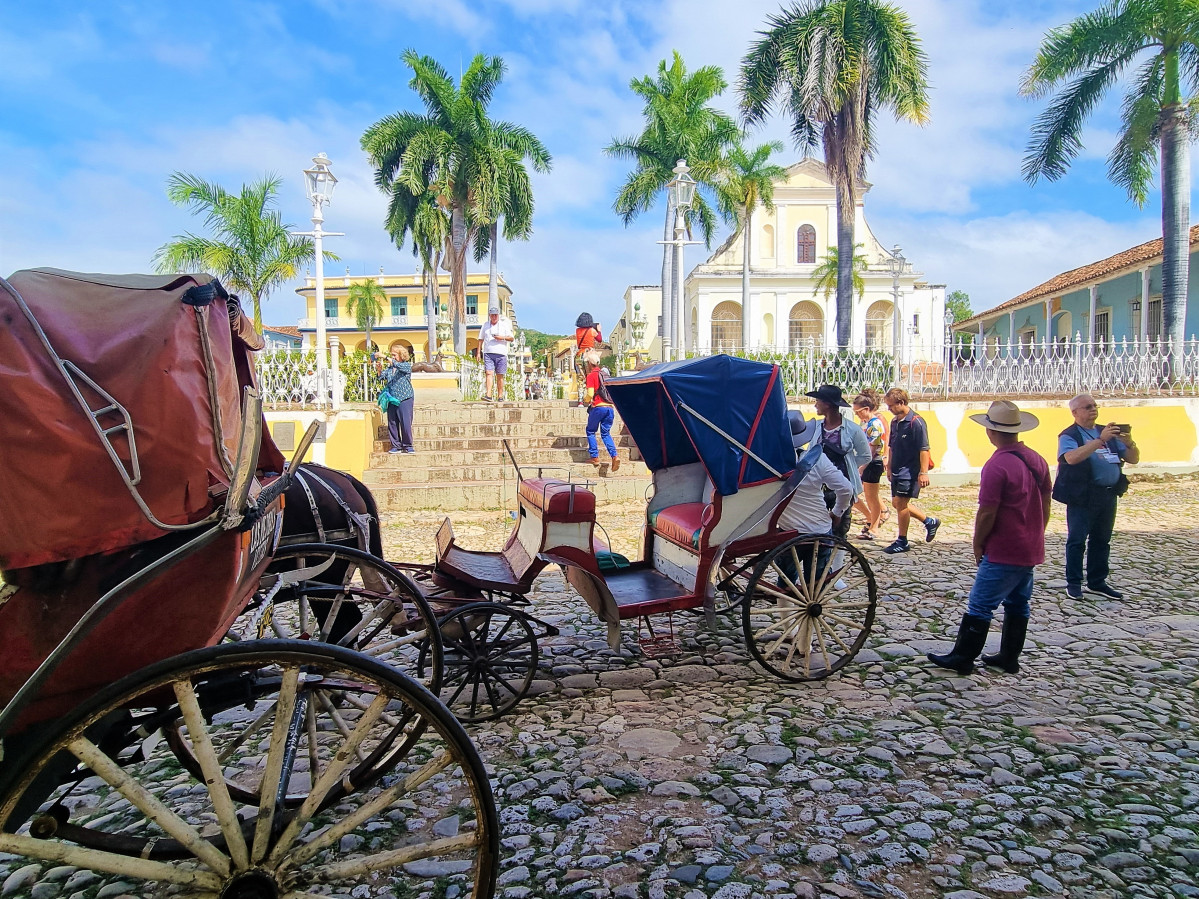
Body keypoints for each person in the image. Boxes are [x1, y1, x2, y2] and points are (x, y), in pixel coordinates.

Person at [927, 400, 1050, 675]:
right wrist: (1037, 532)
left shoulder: (998, 465)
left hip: (1005, 545)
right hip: (1029, 544)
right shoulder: (1036, 459)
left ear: (990, 431)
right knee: (1018, 602)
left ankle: (964, 656)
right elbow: (1046, 503)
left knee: (981, 604)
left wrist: (978, 542)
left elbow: (987, 512)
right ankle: (1009, 656)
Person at [1055, 393, 1140, 599]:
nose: (1093, 409)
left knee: (1102, 540)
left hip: (1108, 494)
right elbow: (1070, 458)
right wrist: (1099, 441)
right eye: (1087, 407)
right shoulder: (1070, 435)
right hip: (1083, 495)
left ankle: (1097, 581)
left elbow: (1133, 459)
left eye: (1094, 405)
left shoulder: (1106, 432)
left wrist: (1129, 444)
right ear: (1075, 412)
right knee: (1077, 540)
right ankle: (1074, 582)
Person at [777, 410, 854, 588]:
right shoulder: (818, 459)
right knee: (817, 584)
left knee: (785, 582)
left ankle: (784, 609)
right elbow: (846, 489)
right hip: (818, 529)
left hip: (787, 530)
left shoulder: (769, 462)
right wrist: (837, 512)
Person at [806, 385, 871, 541]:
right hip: (819, 485)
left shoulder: (852, 430)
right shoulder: (816, 427)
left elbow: (865, 455)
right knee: (817, 525)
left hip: (843, 485)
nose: (815, 405)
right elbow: (810, 452)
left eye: (818, 401)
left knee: (840, 529)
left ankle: (836, 560)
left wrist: (849, 467)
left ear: (827, 404)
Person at [882, 387, 940, 554]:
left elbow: (924, 449)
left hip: (910, 470)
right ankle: (929, 521)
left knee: (901, 504)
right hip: (898, 469)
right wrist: (890, 467)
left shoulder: (916, 422)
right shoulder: (894, 422)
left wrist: (923, 472)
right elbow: (891, 446)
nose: (889, 409)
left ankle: (902, 540)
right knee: (897, 503)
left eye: (891, 406)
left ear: (901, 402)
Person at [851, 389, 889, 540]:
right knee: (864, 495)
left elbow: (871, 449)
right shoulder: (868, 423)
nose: (857, 414)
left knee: (871, 497)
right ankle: (870, 520)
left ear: (866, 409)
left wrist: (862, 467)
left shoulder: (875, 424)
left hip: (873, 464)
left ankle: (874, 527)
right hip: (868, 463)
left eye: (858, 411)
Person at [581, 349, 620, 470]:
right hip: (610, 408)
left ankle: (595, 456)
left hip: (598, 407)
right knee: (605, 433)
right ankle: (614, 456)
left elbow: (590, 393)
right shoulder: (605, 375)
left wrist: (585, 400)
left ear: (589, 364)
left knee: (590, 431)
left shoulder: (591, 375)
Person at [377, 345, 414, 454]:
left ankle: (407, 445)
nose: (392, 357)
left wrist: (385, 357)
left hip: (405, 397)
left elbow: (398, 365)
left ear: (401, 355)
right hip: (392, 398)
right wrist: (379, 370)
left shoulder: (405, 366)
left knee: (405, 422)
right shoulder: (390, 369)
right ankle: (395, 445)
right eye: (391, 355)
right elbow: (381, 377)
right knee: (392, 422)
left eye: (394, 355)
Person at [478, 303, 514, 402]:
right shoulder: (485, 325)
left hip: (501, 354)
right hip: (488, 353)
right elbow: (480, 339)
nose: (494, 317)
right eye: (492, 315)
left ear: (498, 315)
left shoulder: (504, 325)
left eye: (496, 315)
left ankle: (500, 396)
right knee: (489, 373)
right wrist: (478, 352)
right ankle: (488, 394)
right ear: (489, 315)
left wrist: (501, 337)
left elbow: (511, 338)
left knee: (500, 375)